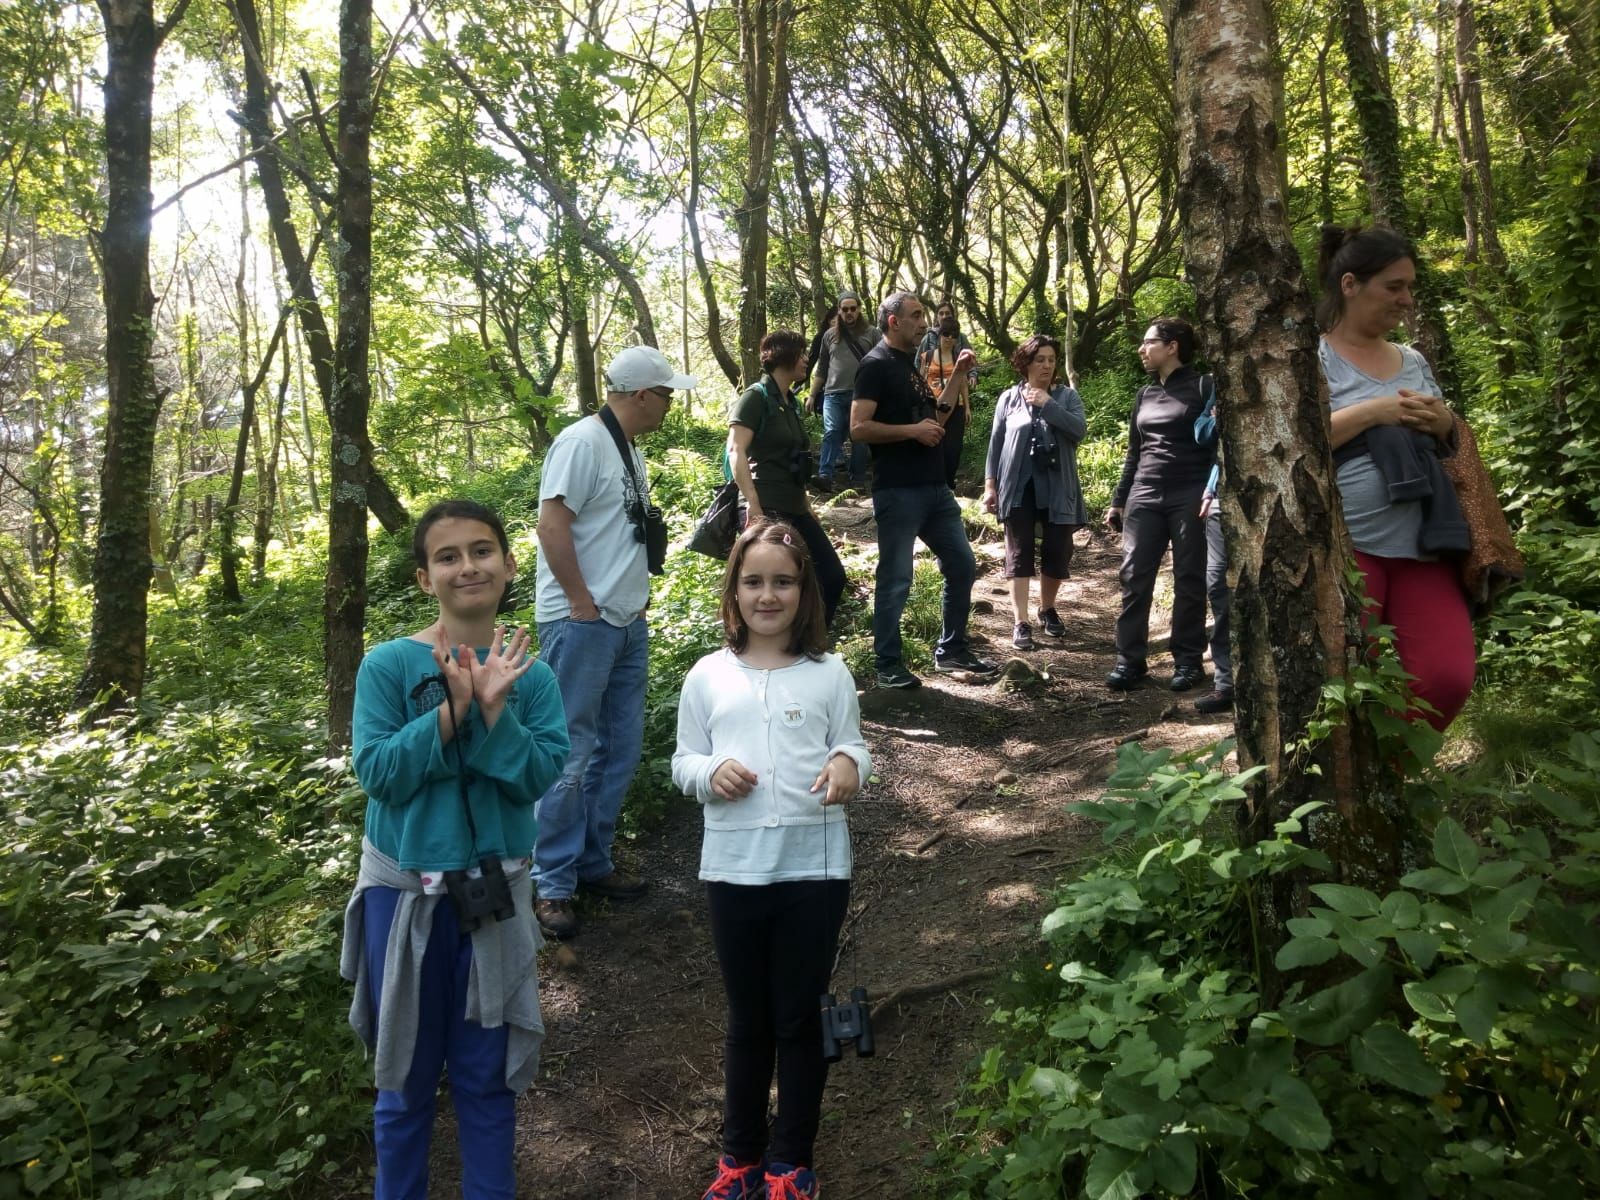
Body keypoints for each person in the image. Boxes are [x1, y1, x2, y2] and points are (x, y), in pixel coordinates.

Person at [343, 499, 572, 1200]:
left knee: (485, 1078)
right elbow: (378, 773)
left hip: (493, 901)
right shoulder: (387, 667)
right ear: (423, 578)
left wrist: (497, 710)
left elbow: (540, 775)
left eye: (481, 551)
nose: (467, 566)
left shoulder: (530, 676)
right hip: (403, 900)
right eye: (448, 556)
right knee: (403, 1082)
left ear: (508, 567)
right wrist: (453, 713)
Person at [672, 520, 871, 1200]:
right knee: (747, 1019)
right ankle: (739, 1160)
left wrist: (847, 764)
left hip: (814, 873)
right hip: (732, 871)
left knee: (799, 1018)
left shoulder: (829, 673)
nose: (767, 594)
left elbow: (855, 747)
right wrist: (709, 774)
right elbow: (683, 760)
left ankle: (792, 1162)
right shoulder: (706, 676)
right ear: (733, 591)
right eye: (753, 581)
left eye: (782, 581)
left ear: (803, 592)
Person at [533, 345, 696, 939]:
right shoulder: (581, 443)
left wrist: (632, 600)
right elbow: (552, 525)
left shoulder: (626, 447)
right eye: (667, 392)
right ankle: (551, 883)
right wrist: (580, 601)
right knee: (571, 751)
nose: (670, 402)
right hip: (582, 623)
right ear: (642, 395)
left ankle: (591, 862)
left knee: (618, 748)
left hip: (625, 621)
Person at [1319, 224, 1474, 730]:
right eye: (1394, 286)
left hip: (1426, 541)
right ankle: (1351, 796)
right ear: (1349, 284)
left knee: (1446, 677)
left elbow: (1446, 439)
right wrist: (1372, 413)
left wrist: (1445, 422)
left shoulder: (1413, 360)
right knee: (1346, 685)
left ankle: (1392, 781)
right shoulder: (1312, 357)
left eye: (1410, 287)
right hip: (1346, 546)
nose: (1407, 299)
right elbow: (1288, 443)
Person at [851, 290, 993, 688]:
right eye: (915, 315)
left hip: (935, 489)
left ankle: (952, 650)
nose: (923, 323)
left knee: (962, 563)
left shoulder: (909, 365)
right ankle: (887, 664)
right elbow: (858, 427)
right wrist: (911, 432)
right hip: (898, 490)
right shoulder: (875, 365)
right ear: (893, 321)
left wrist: (960, 373)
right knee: (896, 577)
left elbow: (938, 415)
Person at [1105, 317, 1216, 693]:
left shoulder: (1204, 386)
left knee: (1189, 577)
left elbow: (1218, 445)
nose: (1142, 349)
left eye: (1149, 342)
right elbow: (1134, 453)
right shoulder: (1144, 395)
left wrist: (1213, 491)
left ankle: (1187, 661)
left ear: (1173, 346)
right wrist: (1119, 501)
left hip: (1191, 493)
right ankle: (1129, 661)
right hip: (1145, 495)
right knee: (1134, 576)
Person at [728, 330, 847, 624]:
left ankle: (807, 644)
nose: (807, 359)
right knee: (777, 581)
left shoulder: (791, 402)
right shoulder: (755, 397)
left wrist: (808, 508)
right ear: (785, 356)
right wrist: (754, 507)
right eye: (803, 353)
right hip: (767, 509)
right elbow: (736, 450)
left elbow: (794, 463)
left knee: (831, 576)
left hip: (795, 507)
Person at [982, 333, 1088, 650]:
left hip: (1058, 486)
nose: (1046, 365)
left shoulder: (1067, 397)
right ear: (1026, 362)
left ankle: (1048, 609)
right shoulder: (1008, 398)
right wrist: (990, 486)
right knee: (1018, 553)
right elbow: (996, 444)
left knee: (1057, 550)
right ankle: (1021, 622)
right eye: (1040, 359)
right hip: (1018, 487)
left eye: (1051, 360)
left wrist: (1048, 404)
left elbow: (1078, 430)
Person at [809, 289, 882, 492]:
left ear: (859, 310)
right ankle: (825, 475)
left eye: (852, 309)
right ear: (839, 311)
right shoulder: (829, 336)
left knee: (859, 438)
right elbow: (822, 368)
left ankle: (857, 480)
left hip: (861, 395)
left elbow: (883, 363)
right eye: (845, 309)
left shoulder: (872, 333)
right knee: (831, 431)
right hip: (832, 394)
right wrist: (813, 394)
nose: (849, 313)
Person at [917, 299, 980, 489]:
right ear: (939, 334)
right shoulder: (926, 355)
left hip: (955, 407)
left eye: (953, 335)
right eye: (945, 334)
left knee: (953, 448)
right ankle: (934, 483)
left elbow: (961, 382)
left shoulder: (957, 357)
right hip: (933, 406)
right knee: (935, 444)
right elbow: (920, 378)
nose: (949, 338)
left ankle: (948, 484)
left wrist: (967, 406)